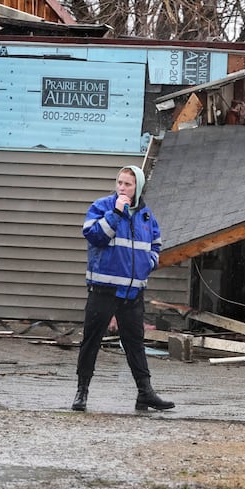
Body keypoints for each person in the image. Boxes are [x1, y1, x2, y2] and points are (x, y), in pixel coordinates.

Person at [71, 165, 175, 412]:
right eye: (119, 182)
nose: (122, 188)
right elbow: (95, 236)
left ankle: (145, 393)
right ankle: (81, 392)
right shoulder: (102, 206)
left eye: (128, 184)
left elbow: (156, 245)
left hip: (133, 292)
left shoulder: (147, 216)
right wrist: (115, 214)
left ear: (137, 187)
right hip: (103, 289)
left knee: (135, 343)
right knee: (91, 341)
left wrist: (148, 264)